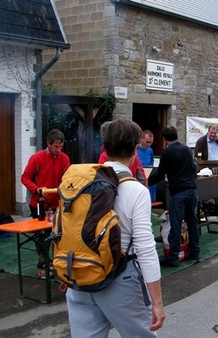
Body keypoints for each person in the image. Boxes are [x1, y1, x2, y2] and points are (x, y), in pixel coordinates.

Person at [66, 119, 165, 337]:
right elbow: (146, 250)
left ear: (104, 147)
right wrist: (157, 302)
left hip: (79, 275)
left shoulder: (80, 183)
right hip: (120, 278)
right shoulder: (135, 190)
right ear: (134, 149)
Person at [20, 129, 70, 279]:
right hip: (38, 203)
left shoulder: (64, 159)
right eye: (56, 147)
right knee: (41, 234)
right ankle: (42, 265)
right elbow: (25, 177)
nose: (58, 150)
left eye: (61, 147)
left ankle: (54, 261)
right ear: (48, 144)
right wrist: (36, 189)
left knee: (55, 233)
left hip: (55, 203)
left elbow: (68, 178)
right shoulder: (37, 158)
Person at [148, 126, 200, 267]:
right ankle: (195, 252)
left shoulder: (167, 152)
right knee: (192, 222)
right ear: (177, 135)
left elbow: (159, 173)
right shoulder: (188, 150)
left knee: (175, 225)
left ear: (164, 140)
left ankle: (173, 257)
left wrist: (145, 181)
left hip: (178, 192)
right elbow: (193, 169)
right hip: (192, 190)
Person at [99, 121, 147, 185]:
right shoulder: (135, 156)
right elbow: (142, 177)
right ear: (135, 149)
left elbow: (102, 177)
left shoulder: (104, 156)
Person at [138, 130, 156, 201]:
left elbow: (151, 163)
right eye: (147, 142)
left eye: (151, 142)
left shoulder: (150, 150)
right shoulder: (135, 149)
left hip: (147, 176)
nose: (148, 144)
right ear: (141, 139)